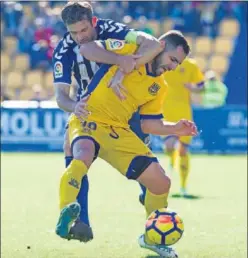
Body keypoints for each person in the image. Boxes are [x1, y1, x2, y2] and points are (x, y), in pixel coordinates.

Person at [55, 31, 197, 257]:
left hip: (118, 130)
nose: (173, 66)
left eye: (177, 63)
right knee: (82, 156)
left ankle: (152, 240)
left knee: (161, 183)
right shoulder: (128, 50)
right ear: (160, 48)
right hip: (88, 117)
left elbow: (150, 125)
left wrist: (174, 128)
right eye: (172, 59)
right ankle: (66, 212)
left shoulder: (160, 87)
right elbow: (87, 49)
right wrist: (120, 60)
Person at [53, 1, 164, 243]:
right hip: (88, 112)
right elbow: (61, 96)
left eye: (83, 31)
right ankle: (79, 220)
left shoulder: (112, 29)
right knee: (73, 152)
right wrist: (74, 106)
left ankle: (154, 218)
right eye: (73, 32)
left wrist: (125, 66)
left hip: (125, 110)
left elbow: (152, 44)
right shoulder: (64, 49)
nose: (79, 37)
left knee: (148, 168)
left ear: (93, 22)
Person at [159, 58, 205, 197]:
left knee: (183, 150)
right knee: (169, 145)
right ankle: (172, 161)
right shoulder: (163, 62)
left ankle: (183, 187)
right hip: (166, 111)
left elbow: (202, 86)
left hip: (184, 112)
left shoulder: (191, 65)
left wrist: (193, 88)